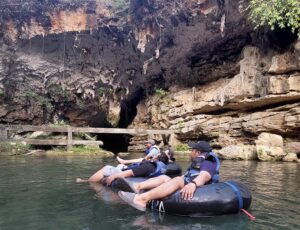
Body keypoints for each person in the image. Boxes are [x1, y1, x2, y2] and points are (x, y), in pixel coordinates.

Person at [118, 140, 219, 211]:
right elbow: (191, 175)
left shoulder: (209, 159)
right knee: (165, 178)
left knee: (178, 181)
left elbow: (204, 175)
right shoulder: (201, 159)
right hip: (192, 183)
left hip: (200, 188)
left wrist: (193, 184)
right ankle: (137, 187)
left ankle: (141, 199)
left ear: (198, 152)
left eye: (192, 150)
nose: (190, 152)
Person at [75, 152, 169, 186]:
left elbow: (130, 173)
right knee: (119, 166)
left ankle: (87, 181)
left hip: (128, 175)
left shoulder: (149, 166)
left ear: (156, 158)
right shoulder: (158, 167)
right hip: (134, 172)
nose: (153, 155)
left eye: (155, 155)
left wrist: (113, 176)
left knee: (107, 168)